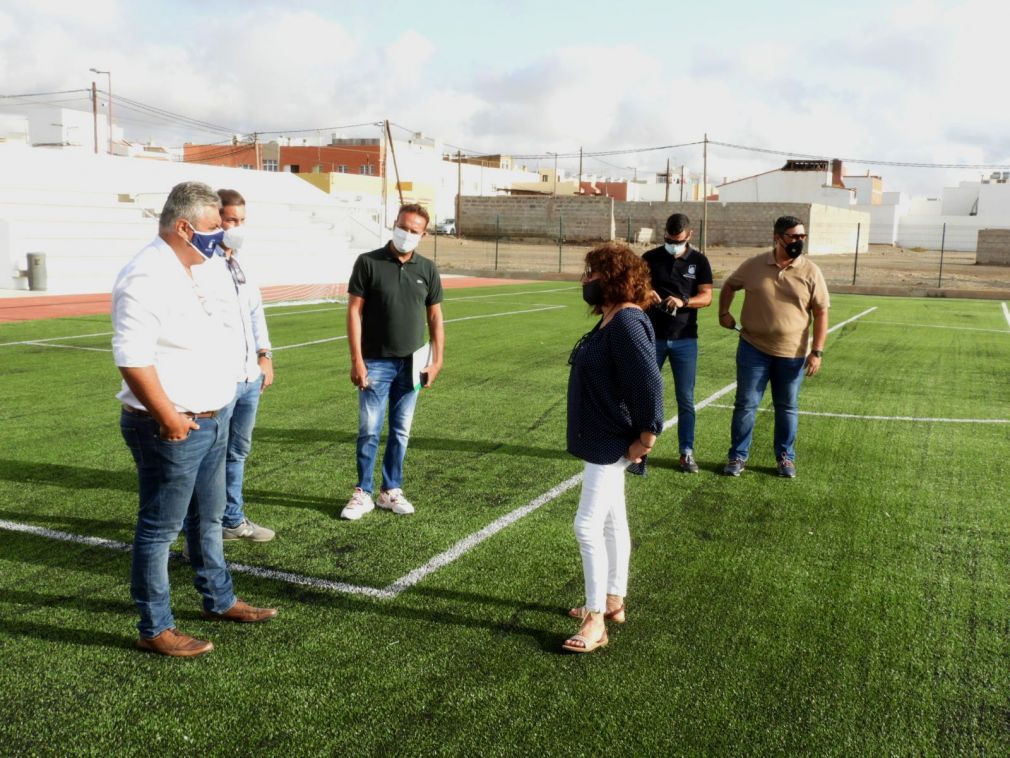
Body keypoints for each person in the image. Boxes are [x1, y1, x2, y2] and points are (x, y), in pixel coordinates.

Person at [113, 181, 277, 658]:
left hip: (213, 416)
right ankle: (155, 626)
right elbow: (132, 357)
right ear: (184, 227)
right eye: (210, 228)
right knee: (159, 530)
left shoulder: (199, 268)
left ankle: (219, 599)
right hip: (172, 425)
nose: (217, 236)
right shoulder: (145, 275)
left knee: (207, 518)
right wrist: (170, 417)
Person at [564, 241, 664, 653]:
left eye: (594, 273)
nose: (586, 280)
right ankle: (613, 599)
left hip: (611, 441)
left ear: (615, 277)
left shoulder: (626, 321)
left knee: (586, 526)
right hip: (601, 437)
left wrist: (647, 436)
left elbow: (649, 383)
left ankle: (595, 621)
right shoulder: (612, 318)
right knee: (611, 522)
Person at [340, 203, 445, 520]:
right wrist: (357, 360)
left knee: (401, 431)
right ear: (394, 224)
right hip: (375, 362)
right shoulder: (368, 262)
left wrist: (437, 361)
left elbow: (436, 317)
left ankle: (390, 490)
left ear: (423, 234)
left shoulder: (427, 269)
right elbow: (354, 312)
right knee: (369, 430)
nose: (407, 234)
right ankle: (363, 492)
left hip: (413, 363)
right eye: (403, 227)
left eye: (414, 230)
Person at [718, 215, 830, 478]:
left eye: (802, 237)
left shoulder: (811, 271)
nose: (798, 242)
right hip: (752, 348)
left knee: (787, 406)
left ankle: (785, 457)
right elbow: (730, 285)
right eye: (793, 237)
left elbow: (822, 312)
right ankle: (737, 456)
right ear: (777, 237)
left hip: (793, 354)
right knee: (746, 404)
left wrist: (817, 351)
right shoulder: (754, 265)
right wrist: (724, 312)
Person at [214, 188, 276, 542]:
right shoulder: (202, 265)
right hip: (219, 380)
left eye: (241, 221)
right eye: (230, 220)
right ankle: (203, 531)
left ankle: (232, 520)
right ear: (215, 218)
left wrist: (265, 355)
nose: (236, 227)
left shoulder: (239, 263)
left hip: (248, 377)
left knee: (237, 451)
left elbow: (256, 313)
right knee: (210, 457)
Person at [642, 213, 713, 473]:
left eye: (678, 240)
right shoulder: (649, 258)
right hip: (652, 338)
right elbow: (633, 288)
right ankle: (639, 450)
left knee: (685, 398)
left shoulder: (699, 260)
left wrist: (684, 302)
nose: (673, 244)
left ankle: (686, 453)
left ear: (689, 236)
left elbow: (706, 297)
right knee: (645, 394)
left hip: (685, 340)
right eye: (669, 240)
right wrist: (644, 293)